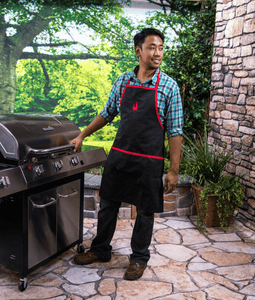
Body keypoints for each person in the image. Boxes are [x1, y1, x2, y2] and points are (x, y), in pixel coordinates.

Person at [70, 28, 183, 280]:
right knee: (108, 204)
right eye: (152, 47)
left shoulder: (169, 86)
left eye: (161, 48)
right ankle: (100, 250)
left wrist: (173, 169)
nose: (158, 53)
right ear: (138, 51)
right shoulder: (123, 81)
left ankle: (139, 258)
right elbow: (107, 113)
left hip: (149, 162)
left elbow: (175, 131)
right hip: (120, 156)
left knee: (145, 211)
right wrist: (82, 135)